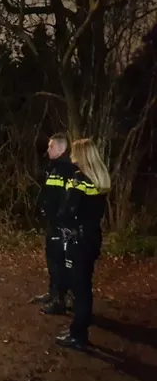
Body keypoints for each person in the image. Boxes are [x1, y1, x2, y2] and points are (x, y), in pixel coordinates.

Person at [55, 138, 110, 351]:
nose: (71, 156)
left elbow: (68, 211)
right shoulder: (98, 180)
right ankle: (79, 329)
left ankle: (78, 335)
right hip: (93, 237)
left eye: (74, 152)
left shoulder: (79, 179)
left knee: (80, 288)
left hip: (78, 240)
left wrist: (61, 222)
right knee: (85, 285)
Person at [32, 132, 77, 315]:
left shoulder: (67, 169)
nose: (48, 149)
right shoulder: (53, 167)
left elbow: (68, 199)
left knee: (60, 262)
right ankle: (53, 293)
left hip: (60, 224)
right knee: (51, 259)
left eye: (51, 146)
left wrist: (61, 219)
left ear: (61, 148)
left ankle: (60, 300)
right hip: (52, 222)